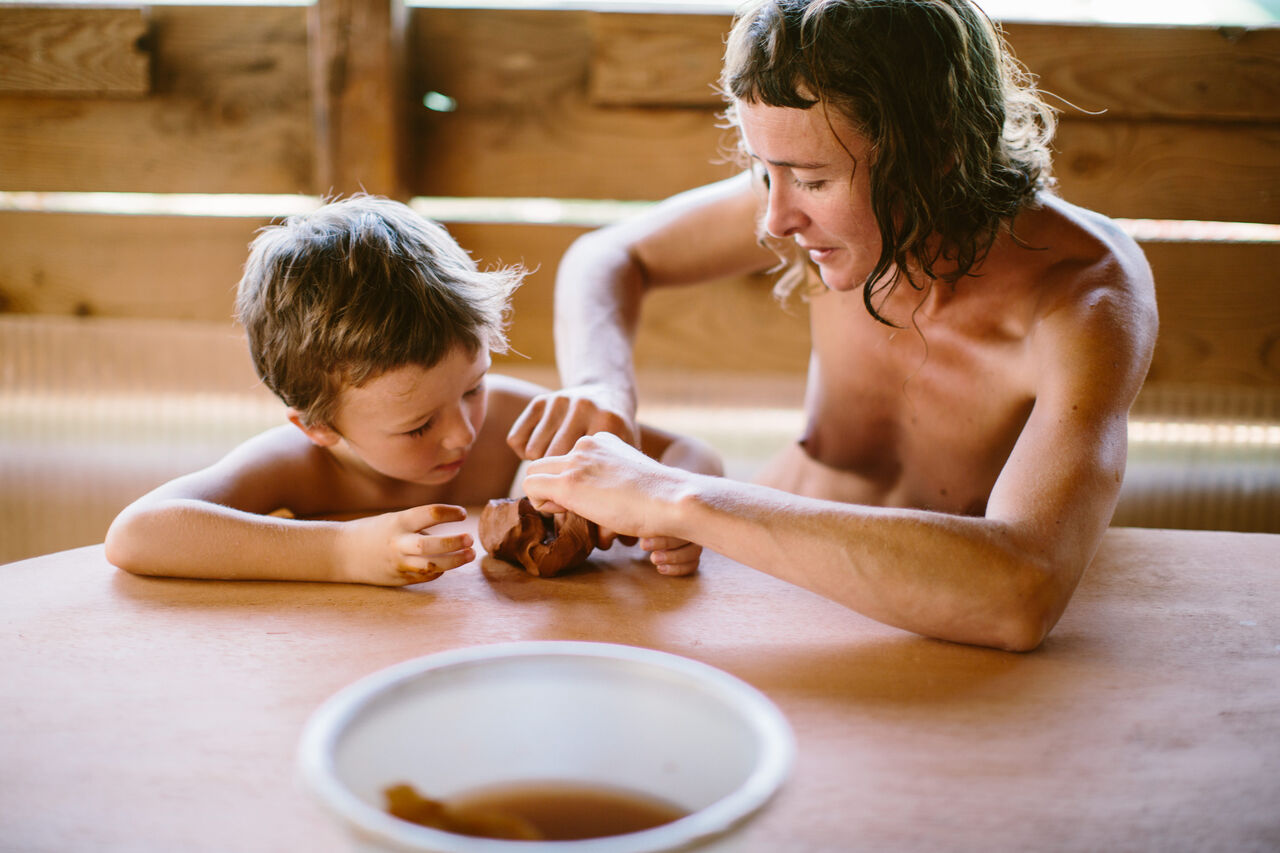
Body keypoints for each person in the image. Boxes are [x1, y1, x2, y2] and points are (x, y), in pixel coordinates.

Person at [508, 0, 1158, 651]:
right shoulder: (815, 196)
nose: (773, 220)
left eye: (813, 181)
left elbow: (1022, 589)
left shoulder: (1085, 297)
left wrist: (678, 496)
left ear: (936, 154)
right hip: (743, 591)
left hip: (935, 641)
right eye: (764, 172)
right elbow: (608, 254)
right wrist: (602, 388)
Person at [105, 195, 721, 585]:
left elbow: (690, 454)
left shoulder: (513, 413)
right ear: (319, 428)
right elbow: (139, 532)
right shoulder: (299, 465)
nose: (463, 431)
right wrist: (339, 554)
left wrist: (671, 511)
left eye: (472, 388)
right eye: (418, 426)